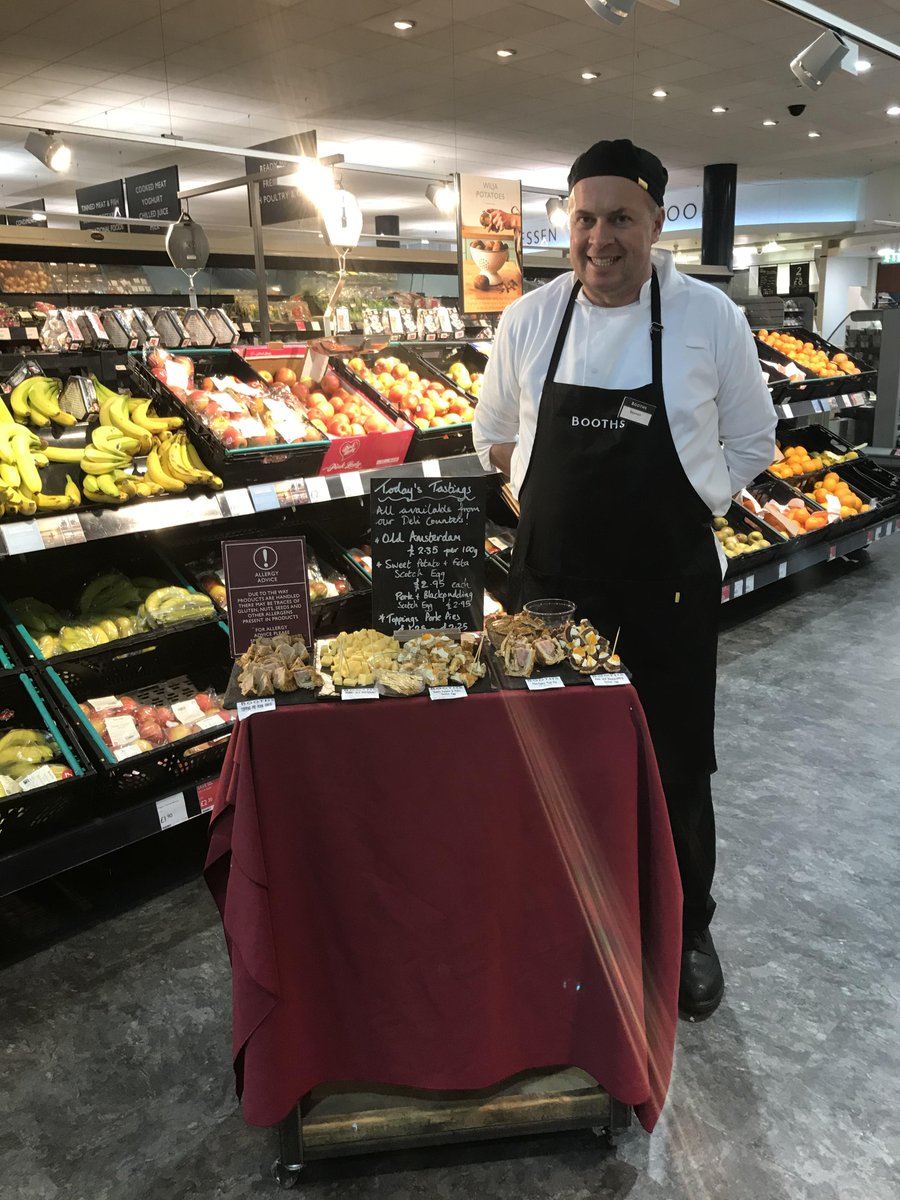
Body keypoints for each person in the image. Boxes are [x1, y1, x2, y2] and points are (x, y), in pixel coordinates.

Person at [473, 138, 777, 1020]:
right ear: (565, 225)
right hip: (552, 589)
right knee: (550, 761)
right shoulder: (529, 317)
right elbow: (490, 433)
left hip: (667, 583)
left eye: (619, 219)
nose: (599, 238)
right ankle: (560, 921)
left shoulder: (709, 318)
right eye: (583, 218)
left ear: (655, 223)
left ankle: (686, 931)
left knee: (677, 764)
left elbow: (752, 440)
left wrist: (695, 494)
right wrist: (536, 488)